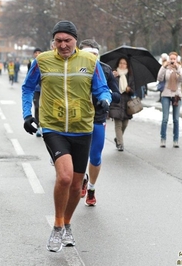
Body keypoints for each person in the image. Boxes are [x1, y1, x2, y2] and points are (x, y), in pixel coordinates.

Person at [21, 20, 111, 253]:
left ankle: (67, 223)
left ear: (75, 41)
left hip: (82, 128)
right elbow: (27, 88)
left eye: (67, 40)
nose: (62, 45)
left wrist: (105, 99)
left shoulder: (91, 62)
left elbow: (102, 88)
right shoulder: (42, 61)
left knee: (75, 186)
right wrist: (27, 115)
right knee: (64, 177)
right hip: (54, 127)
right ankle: (57, 226)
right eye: (58, 41)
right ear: (53, 42)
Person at [78, 39, 120, 206]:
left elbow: (117, 95)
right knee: (79, 156)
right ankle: (83, 178)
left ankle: (91, 188)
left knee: (95, 157)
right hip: (78, 119)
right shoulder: (73, 68)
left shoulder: (105, 70)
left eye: (95, 55)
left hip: (98, 118)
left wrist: (106, 95)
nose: (92, 59)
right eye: (89, 55)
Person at [157, 51, 182, 148]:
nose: (172, 60)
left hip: (176, 95)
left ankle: (176, 140)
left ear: (177, 59)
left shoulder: (180, 68)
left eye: (174, 59)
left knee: (176, 119)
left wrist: (177, 68)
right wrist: (164, 66)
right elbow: (159, 78)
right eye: (171, 59)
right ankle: (163, 139)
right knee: (165, 118)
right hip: (166, 94)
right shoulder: (166, 68)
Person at [108, 56, 136, 152]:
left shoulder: (130, 76)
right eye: (120, 63)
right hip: (116, 101)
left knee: (125, 123)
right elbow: (109, 86)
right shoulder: (114, 74)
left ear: (127, 65)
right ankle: (120, 144)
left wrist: (129, 90)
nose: (122, 65)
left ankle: (118, 138)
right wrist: (113, 76)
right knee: (118, 124)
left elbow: (133, 91)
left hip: (127, 103)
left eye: (124, 63)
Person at [27, 48, 43, 137]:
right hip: (36, 90)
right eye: (35, 53)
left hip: (45, 90)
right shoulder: (31, 63)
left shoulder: (46, 62)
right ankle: (38, 127)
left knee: (44, 108)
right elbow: (29, 76)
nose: (37, 54)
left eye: (39, 53)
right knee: (37, 107)